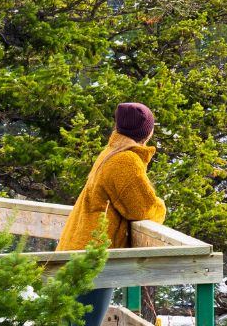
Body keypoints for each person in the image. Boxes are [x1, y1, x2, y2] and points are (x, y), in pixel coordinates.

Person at [60, 103, 167, 326]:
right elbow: (143, 209)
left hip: (81, 249)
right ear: (147, 131)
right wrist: (161, 206)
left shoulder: (110, 152)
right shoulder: (124, 161)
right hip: (93, 257)